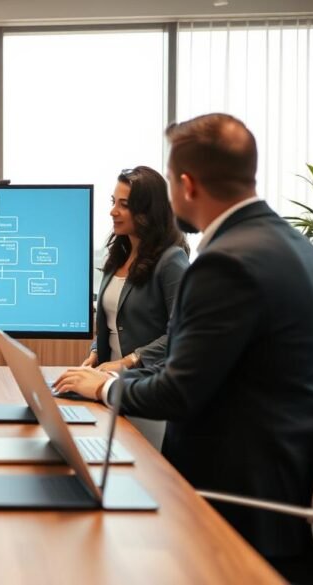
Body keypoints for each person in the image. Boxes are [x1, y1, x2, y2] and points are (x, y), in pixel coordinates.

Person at [55, 113, 313, 583]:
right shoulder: (294, 246)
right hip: (277, 487)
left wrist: (105, 386)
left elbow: (178, 392)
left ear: (186, 184)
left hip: (223, 497)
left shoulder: (225, 263)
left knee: (77, 519)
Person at [79, 165, 189, 448]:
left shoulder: (171, 260)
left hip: (144, 392)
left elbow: (181, 332)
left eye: (123, 205)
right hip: (108, 390)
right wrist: (95, 354)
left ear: (147, 211)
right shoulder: (117, 256)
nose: (113, 211)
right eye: (113, 202)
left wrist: (130, 360)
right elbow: (111, 322)